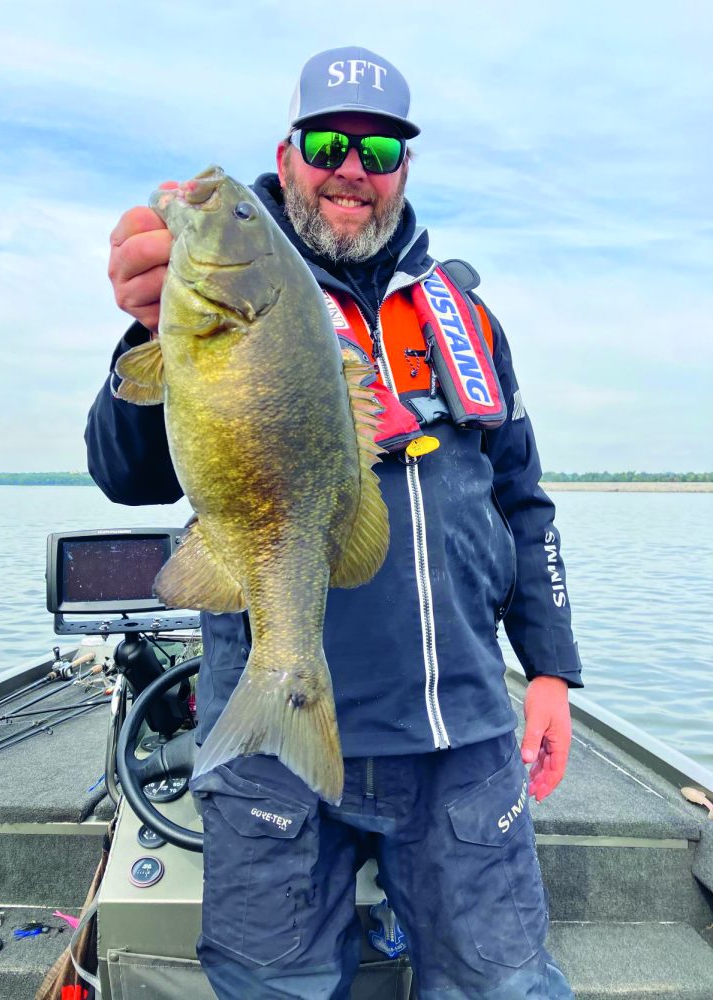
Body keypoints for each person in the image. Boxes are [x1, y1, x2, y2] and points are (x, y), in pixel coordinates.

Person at [87, 45, 582, 1000]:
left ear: (404, 169)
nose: (352, 167)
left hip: (460, 732)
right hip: (272, 747)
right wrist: (150, 332)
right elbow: (125, 474)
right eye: (327, 144)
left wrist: (552, 670)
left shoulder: (467, 317)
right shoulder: (221, 299)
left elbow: (523, 501)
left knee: (505, 985)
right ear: (287, 156)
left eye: (380, 149)